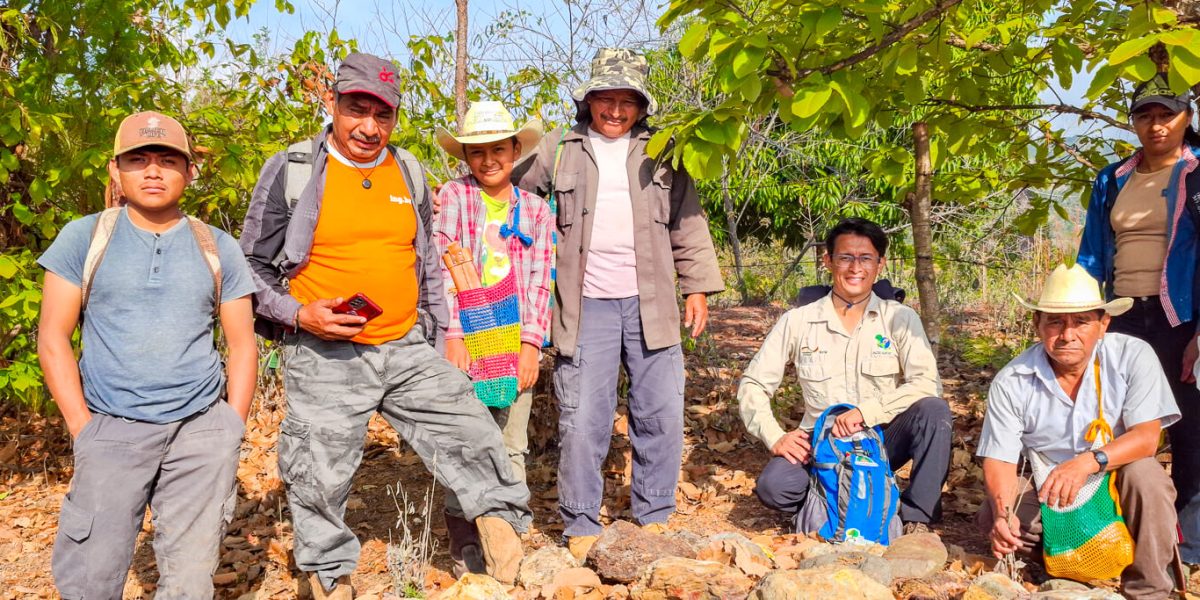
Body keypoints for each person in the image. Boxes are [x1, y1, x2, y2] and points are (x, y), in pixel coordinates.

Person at [239, 53, 530, 596]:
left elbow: (425, 264)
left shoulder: (410, 170)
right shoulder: (293, 170)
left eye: (383, 115)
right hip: (322, 353)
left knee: (470, 433)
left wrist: (440, 332)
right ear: (333, 103)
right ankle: (329, 576)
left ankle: (504, 545)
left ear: (395, 117)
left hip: (405, 345)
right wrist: (299, 314)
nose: (369, 127)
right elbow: (248, 266)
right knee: (317, 471)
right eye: (356, 109)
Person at [512, 47, 724, 560]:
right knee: (583, 416)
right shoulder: (560, 149)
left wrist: (696, 286)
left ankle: (653, 516)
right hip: (584, 307)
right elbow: (512, 195)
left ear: (641, 105)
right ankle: (581, 520)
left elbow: (687, 222)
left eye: (626, 100)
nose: (615, 110)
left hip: (651, 304)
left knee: (661, 412)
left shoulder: (663, 151)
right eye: (605, 98)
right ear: (588, 101)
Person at [39, 111, 257, 598]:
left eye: (167, 160)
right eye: (138, 159)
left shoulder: (217, 246)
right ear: (116, 171)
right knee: (91, 577)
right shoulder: (83, 237)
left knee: (190, 576)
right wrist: (83, 427)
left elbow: (242, 343)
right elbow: (53, 337)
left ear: (189, 172)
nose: (153, 171)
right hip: (111, 427)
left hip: (199, 431)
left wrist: (230, 426)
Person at [976, 263, 1180, 599]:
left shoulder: (1132, 356)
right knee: (999, 515)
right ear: (1037, 325)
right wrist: (1002, 514)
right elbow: (999, 458)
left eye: (1081, 322)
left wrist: (1088, 462)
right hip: (1047, 483)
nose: (1067, 335)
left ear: (1103, 324)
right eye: (1055, 322)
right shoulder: (1012, 380)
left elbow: (1145, 439)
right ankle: (1060, 564)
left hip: (1113, 476)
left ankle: (1149, 588)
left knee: (1148, 478)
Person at [738, 217, 951, 534]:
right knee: (775, 487)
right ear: (828, 261)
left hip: (880, 442)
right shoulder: (798, 321)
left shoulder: (900, 319)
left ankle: (915, 518)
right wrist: (775, 436)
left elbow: (926, 384)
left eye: (865, 258)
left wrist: (867, 413)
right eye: (845, 258)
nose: (855, 268)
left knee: (934, 410)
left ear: (880, 265)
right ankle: (832, 497)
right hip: (821, 444)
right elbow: (753, 385)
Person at [1077, 74, 1200, 562]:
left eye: (1166, 115)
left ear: (1187, 118)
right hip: (1122, 316)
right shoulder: (1113, 178)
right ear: (1133, 123)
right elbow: (1091, 252)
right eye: (1145, 116)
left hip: (1181, 318)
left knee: (1190, 425)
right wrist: (1085, 316)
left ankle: (1188, 545)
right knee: (1117, 423)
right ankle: (1113, 530)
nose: (1155, 126)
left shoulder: (1197, 173)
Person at [432, 100, 551, 574]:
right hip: (467, 332)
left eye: (498, 149)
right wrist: (453, 334)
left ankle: (509, 534)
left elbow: (542, 280)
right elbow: (442, 267)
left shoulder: (536, 212)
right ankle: (465, 542)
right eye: (477, 152)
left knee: (510, 440)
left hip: (512, 335)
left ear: (516, 150)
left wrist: (530, 345)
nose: (488, 160)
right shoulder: (455, 200)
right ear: (464, 156)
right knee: (463, 439)